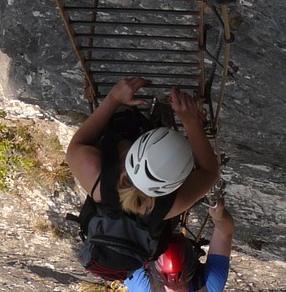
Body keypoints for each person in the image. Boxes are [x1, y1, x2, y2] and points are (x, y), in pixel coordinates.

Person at [66, 78, 219, 224]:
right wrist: (191, 122)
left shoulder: (93, 170)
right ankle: (154, 121)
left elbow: (77, 144)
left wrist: (114, 98)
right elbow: (210, 172)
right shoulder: (171, 205)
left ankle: (147, 122)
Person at [126, 198, 235, 292]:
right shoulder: (209, 287)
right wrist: (219, 217)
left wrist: (220, 217)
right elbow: (224, 234)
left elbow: (225, 233)